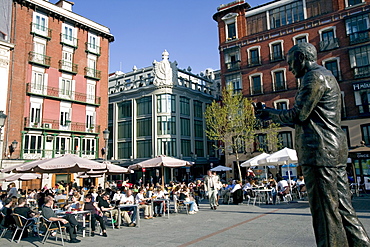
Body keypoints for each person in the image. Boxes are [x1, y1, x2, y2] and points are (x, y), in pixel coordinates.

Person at [256, 42, 370, 247]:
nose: (290, 69)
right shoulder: (326, 76)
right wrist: (271, 115)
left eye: (291, 63)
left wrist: (270, 113)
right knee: (342, 207)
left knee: (325, 210)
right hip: (332, 148)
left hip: (319, 150)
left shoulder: (314, 77)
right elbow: (304, 117)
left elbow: (298, 114)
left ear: (301, 59)